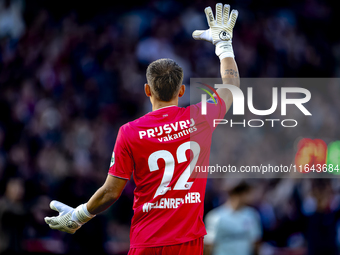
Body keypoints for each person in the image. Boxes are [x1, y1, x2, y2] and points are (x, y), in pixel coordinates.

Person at [44, 3, 240, 254]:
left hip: (147, 243)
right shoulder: (200, 118)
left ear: (147, 90)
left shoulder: (130, 132)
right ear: (181, 91)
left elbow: (110, 193)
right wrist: (223, 45)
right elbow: (232, 86)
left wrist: (78, 217)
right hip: (188, 244)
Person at [204, 181, 262, 255]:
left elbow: (256, 242)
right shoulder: (215, 216)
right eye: (248, 193)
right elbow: (209, 244)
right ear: (241, 193)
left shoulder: (251, 215)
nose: (252, 197)